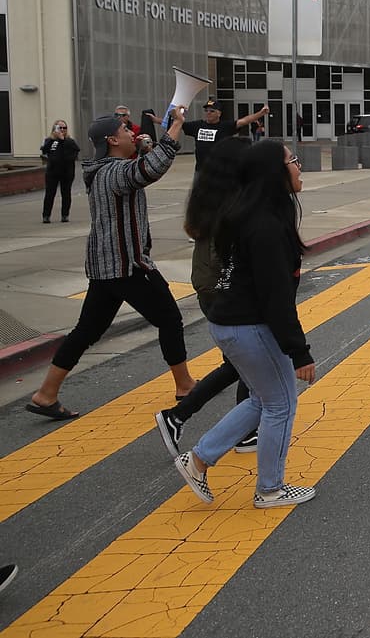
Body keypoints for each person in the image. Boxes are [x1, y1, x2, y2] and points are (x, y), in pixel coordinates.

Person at [173, 140, 317, 508]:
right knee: (281, 404)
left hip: (232, 323)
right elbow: (276, 297)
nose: (299, 167)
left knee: (263, 399)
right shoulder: (266, 225)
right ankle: (270, 489)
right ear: (274, 172)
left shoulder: (255, 213)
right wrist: (299, 352)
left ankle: (199, 460)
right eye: (293, 161)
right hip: (248, 326)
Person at [26, 109, 194, 420]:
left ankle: (46, 394)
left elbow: (143, 165)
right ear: (112, 140)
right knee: (169, 319)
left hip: (105, 267)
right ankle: (184, 385)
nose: (133, 133)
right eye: (126, 130)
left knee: (86, 331)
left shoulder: (104, 169)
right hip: (127, 264)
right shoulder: (113, 172)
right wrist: (176, 128)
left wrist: (146, 146)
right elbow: (151, 170)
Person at [154, 136, 256, 458]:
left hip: (212, 290)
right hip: (223, 291)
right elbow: (224, 257)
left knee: (241, 364)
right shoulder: (232, 198)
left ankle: (237, 428)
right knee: (248, 363)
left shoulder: (211, 191)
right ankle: (181, 419)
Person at [183, 99, 270, 170]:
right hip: (201, 171)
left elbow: (244, 121)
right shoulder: (197, 125)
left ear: (219, 113)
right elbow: (179, 124)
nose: (208, 113)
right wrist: (175, 114)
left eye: (212, 111)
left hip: (220, 171)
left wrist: (261, 113)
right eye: (206, 110)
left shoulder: (225, 126)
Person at [40, 120, 79, 223]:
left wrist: (62, 140)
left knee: (66, 193)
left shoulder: (70, 141)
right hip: (52, 172)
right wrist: (52, 138)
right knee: (49, 193)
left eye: (64, 128)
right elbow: (44, 151)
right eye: (59, 128)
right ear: (54, 128)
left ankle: (65, 215)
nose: (62, 130)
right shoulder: (49, 140)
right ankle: (46, 215)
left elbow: (73, 155)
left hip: (66, 172)